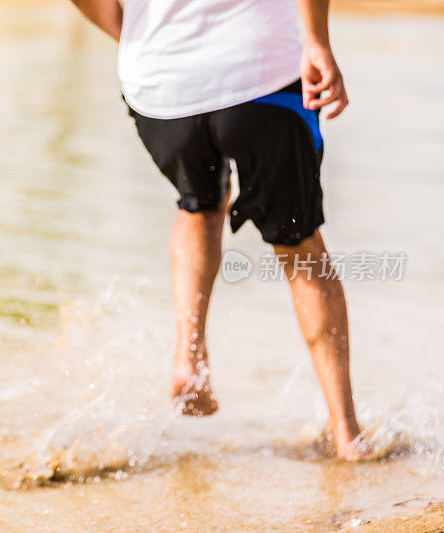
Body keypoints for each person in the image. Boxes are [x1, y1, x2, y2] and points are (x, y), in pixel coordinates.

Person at [68, 0, 363, 460]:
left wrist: (133, 36)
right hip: (259, 74)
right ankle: (346, 433)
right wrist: (319, 43)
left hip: (162, 89)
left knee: (199, 207)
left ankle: (189, 358)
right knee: (299, 243)